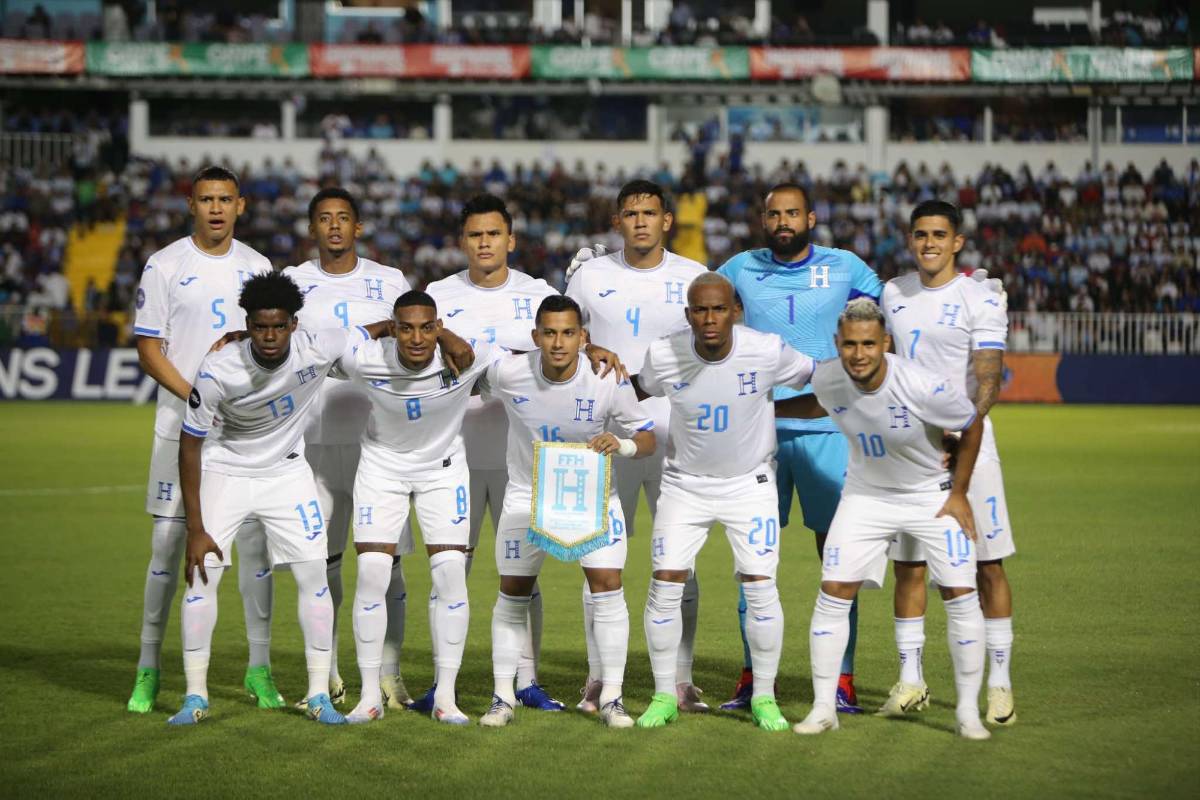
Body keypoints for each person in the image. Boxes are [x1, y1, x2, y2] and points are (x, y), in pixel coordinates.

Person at [426, 193, 622, 713]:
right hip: (454, 454)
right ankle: (442, 684)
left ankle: (526, 681)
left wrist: (598, 346)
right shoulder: (438, 296)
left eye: (494, 234)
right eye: (475, 235)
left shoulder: (537, 292)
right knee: (451, 569)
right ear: (462, 241)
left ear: (509, 240)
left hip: (526, 465)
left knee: (521, 577)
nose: (484, 243)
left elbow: (568, 346)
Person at [170, 271, 392, 726]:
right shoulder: (218, 369)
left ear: (294, 323)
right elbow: (189, 444)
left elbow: (376, 329)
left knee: (314, 575)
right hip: (226, 471)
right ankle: (195, 696)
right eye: (258, 326)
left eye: (277, 326)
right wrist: (195, 529)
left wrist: (439, 334)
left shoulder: (318, 345)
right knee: (201, 577)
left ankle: (316, 694)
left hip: (287, 473)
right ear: (246, 324)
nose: (269, 337)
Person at [789, 298, 990, 741]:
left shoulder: (920, 384)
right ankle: (824, 708)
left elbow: (971, 424)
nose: (858, 354)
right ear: (837, 344)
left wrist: (959, 493)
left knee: (960, 593)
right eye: (849, 345)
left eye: (868, 344)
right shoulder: (829, 377)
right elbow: (821, 403)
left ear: (886, 343)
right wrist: (768, 411)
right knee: (833, 590)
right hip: (866, 496)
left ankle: (967, 712)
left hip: (930, 496)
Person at [716, 183, 882, 712]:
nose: (783, 221)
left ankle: (841, 679)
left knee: (837, 556)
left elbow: (893, 311)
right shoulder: (739, 267)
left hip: (830, 431)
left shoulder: (846, 267)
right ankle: (752, 678)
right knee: (754, 562)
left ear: (811, 217)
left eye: (792, 213)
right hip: (757, 434)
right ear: (763, 219)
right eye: (773, 214)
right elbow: (696, 304)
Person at [633, 274, 814, 732]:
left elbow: (818, 379)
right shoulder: (664, 354)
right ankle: (663, 694)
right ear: (688, 314)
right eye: (699, 310)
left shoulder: (767, 349)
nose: (709, 319)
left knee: (760, 586)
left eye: (718, 309)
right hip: (683, 486)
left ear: (735, 311)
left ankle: (765, 698)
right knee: (665, 583)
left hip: (748, 485)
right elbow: (636, 387)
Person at [128, 166, 279, 714]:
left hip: (244, 434)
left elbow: (271, 344)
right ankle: (148, 668)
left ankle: (258, 669)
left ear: (241, 206)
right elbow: (149, 348)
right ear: (191, 205)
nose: (216, 208)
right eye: (205, 199)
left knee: (256, 548)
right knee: (168, 548)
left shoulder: (258, 267)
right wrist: (195, 395)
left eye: (225, 200)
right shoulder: (165, 264)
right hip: (180, 427)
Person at [563, 179, 709, 713]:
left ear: (667, 220)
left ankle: (681, 679)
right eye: (631, 213)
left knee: (680, 563)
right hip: (604, 435)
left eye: (650, 212)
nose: (641, 221)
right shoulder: (589, 276)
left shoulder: (694, 277)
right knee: (597, 557)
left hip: (676, 434)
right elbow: (566, 336)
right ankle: (598, 678)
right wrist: (591, 344)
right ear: (617, 221)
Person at [478, 295, 656, 729]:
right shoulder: (508, 372)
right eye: (550, 333)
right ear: (536, 337)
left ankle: (612, 696)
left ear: (583, 337)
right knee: (513, 590)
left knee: (608, 587)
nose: (559, 343)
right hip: (527, 494)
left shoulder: (606, 377)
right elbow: (464, 369)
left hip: (592, 494)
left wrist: (624, 445)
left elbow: (647, 435)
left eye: (569, 333)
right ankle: (503, 696)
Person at [880, 200, 1016, 726]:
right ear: (910, 240)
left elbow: (988, 377)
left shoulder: (979, 298)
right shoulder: (894, 293)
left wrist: (963, 434)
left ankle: (999, 685)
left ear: (957, 241)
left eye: (939, 234)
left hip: (968, 444)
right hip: (909, 449)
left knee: (987, 563)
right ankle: (912, 680)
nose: (929, 242)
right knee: (909, 565)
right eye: (920, 234)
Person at [337, 290, 492, 725]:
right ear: (393, 328)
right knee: (371, 573)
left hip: (443, 472)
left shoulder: (467, 356)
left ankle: (445, 696)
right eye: (405, 327)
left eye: (428, 327)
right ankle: (369, 696)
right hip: (381, 469)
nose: (417, 338)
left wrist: (590, 347)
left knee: (449, 575)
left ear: (440, 328)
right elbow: (310, 349)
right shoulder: (366, 358)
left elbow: (536, 358)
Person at [284, 187, 412, 707]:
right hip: (312, 441)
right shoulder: (292, 283)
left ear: (359, 227)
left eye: (343, 219)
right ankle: (329, 673)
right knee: (320, 563)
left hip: (379, 443)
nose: (334, 226)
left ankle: (390, 672)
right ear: (312, 228)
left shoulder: (389, 282)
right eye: (323, 219)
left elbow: (410, 345)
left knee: (390, 564)